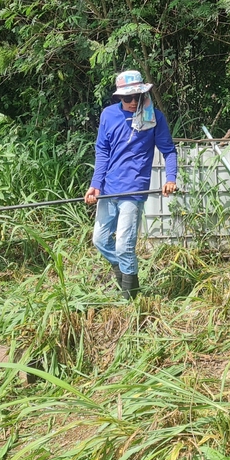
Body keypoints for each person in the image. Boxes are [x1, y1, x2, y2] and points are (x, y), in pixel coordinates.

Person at [84, 70, 177, 299]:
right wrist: (95, 185)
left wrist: (171, 179)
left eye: (137, 96)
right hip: (108, 189)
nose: (133, 101)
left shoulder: (153, 118)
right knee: (100, 240)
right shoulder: (108, 115)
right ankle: (124, 273)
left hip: (134, 190)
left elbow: (169, 151)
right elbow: (102, 151)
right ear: (119, 98)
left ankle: (130, 298)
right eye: (128, 98)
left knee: (124, 245)